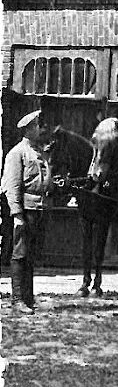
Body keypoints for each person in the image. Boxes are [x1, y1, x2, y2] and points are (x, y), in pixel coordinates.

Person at [3, 111, 54, 315]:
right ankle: (17, 300)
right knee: (20, 253)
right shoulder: (17, 153)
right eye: (36, 126)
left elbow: (42, 180)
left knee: (31, 255)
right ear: (28, 130)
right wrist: (16, 214)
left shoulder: (38, 151)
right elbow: (12, 186)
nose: (39, 129)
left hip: (39, 208)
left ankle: (28, 298)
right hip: (25, 210)